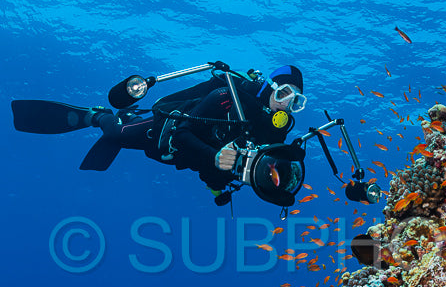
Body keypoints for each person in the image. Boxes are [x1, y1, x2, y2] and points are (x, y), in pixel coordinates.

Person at [12, 65, 306, 203]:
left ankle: (125, 117)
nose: (286, 104)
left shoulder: (277, 131)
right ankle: (97, 116)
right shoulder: (228, 97)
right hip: (162, 133)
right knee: (116, 135)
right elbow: (182, 133)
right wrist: (215, 156)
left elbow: (259, 170)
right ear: (269, 86)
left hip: (184, 159)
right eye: (283, 93)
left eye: (296, 101)